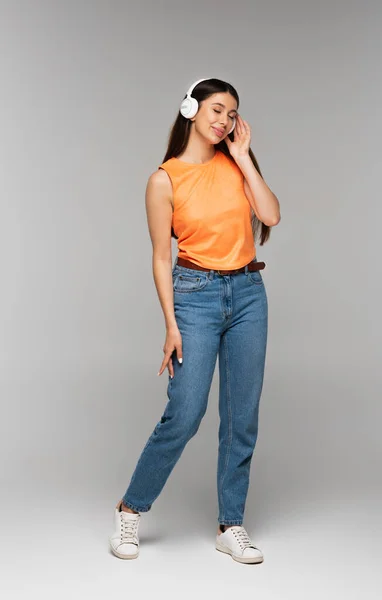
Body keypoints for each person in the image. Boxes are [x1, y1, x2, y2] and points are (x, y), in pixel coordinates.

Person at [109, 77, 281, 564]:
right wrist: (170, 323)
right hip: (195, 297)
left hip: (248, 294)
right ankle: (130, 509)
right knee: (185, 413)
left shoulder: (236, 165)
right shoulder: (164, 179)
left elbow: (271, 215)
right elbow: (161, 258)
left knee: (241, 417)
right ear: (191, 108)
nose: (224, 120)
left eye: (232, 114)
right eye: (217, 109)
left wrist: (245, 158)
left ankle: (232, 524)